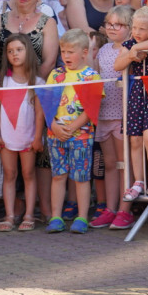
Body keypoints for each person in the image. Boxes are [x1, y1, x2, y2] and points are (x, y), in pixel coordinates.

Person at [44, 29, 102, 235]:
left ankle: (82, 217)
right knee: (58, 175)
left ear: (85, 52)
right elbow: (47, 103)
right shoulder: (56, 74)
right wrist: (54, 126)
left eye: (71, 52)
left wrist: (73, 126)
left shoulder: (91, 76)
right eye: (63, 51)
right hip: (55, 133)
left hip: (81, 135)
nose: (66, 56)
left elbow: (91, 108)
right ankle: (56, 216)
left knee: (81, 177)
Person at [0, 34, 44, 232]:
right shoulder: (1, 81)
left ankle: (29, 213)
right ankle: (10, 214)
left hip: (29, 136)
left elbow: (39, 113)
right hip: (6, 136)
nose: (14, 54)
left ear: (28, 52)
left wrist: (38, 137)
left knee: (29, 174)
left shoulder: (37, 81)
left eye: (19, 50)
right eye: (10, 51)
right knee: (10, 174)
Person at [88, 5, 134, 229]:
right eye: (109, 24)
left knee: (123, 162)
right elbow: (95, 74)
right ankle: (110, 208)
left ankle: (126, 209)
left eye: (119, 24)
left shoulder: (130, 48)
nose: (113, 28)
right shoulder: (104, 49)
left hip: (123, 113)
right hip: (104, 113)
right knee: (109, 163)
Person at [116, 6, 148, 206]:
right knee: (135, 140)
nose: (136, 32)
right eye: (134, 27)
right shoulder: (129, 44)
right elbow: (117, 65)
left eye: (142, 28)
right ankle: (138, 181)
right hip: (136, 94)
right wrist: (132, 52)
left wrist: (145, 46)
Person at [0, 0, 59, 79]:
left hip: (35, 87)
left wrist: (31, 87)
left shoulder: (48, 23)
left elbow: (50, 62)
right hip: (3, 87)